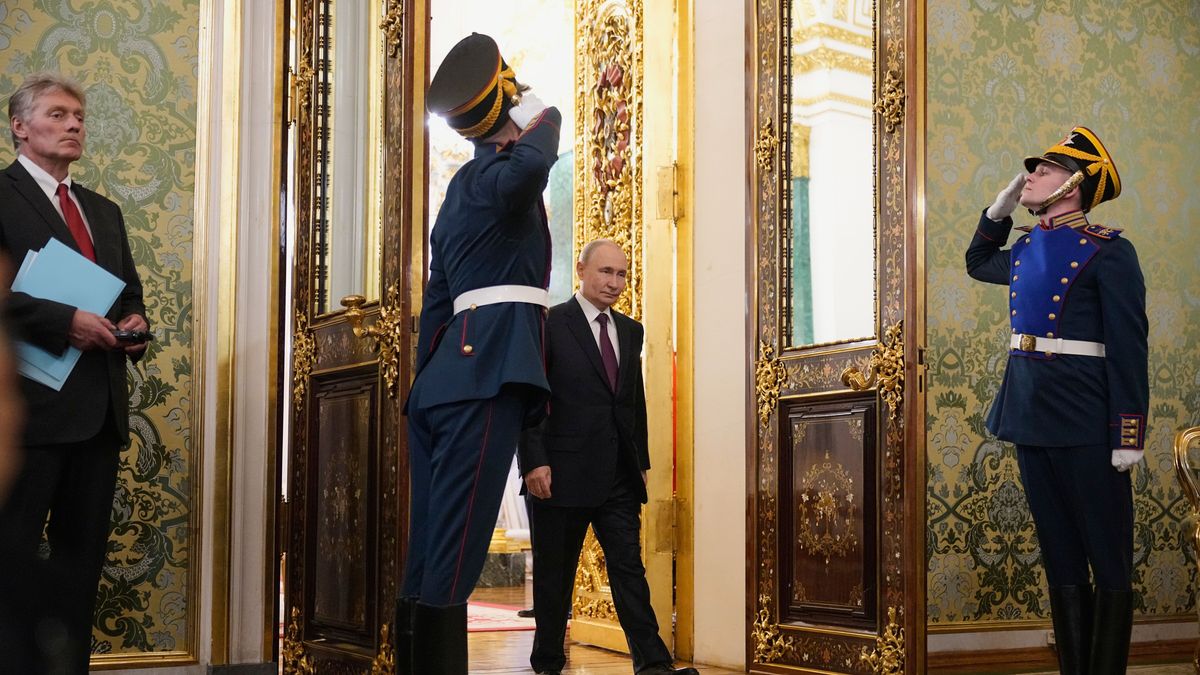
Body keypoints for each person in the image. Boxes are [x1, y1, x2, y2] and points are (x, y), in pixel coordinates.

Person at [395, 33, 561, 674]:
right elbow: (532, 164)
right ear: (506, 123)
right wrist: (541, 109)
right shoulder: (498, 177)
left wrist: (424, 383)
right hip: (484, 375)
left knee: (432, 542)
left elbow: (436, 309)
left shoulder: (458, 193)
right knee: (461, 544)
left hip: (443, 381)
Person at [965, 126, 1147, 675]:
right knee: (1061, 558)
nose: (1028, 177)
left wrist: (1128, 434)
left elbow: (1128, 348)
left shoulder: (1109, 252)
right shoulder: (1024, 248)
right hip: (1030, 417)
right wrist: (995, 215)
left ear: (1073, 184)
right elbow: (977, 261)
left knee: (1108, 562)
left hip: (1088, 421)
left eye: (1041, 170)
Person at [0, 73, 149, 674]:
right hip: (24, 416)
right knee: (8, 562)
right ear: (20, 126)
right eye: (58, 114)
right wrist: (66, 320)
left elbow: (129, 292)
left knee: (79, 568)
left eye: (79, 116)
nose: (73, 125)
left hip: (98, 414)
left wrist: (132, 322)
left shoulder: (104, 211)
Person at [519, 240, 698, 675]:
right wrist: (533, 461)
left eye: (620, 274)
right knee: (554, 578)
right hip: (559, 474)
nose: (613, 282)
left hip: (616, 474)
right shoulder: (549, 324)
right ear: (581, 270)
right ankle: (546, 664)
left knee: (629, 571)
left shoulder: (630, 330)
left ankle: (654, 665)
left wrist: (639, 463)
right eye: (605, 272)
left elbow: (630, 404)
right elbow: (529, 397)